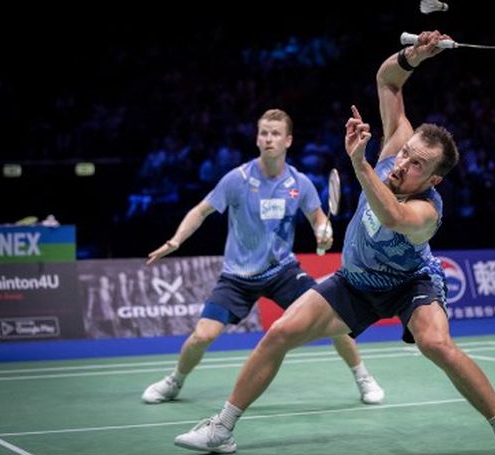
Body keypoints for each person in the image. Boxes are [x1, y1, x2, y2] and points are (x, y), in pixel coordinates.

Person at [173, 32, 495, 455]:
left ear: (434, 179)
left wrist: (359, 163)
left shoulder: (427, 210)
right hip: (356, 280)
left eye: (417, 164)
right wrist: (413, 56)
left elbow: (390, 216)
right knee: (278, 334)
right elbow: (387, 82)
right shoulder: (393, 150)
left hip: (411, 283)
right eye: (405, 152)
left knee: (436, 344)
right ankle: (222, 428)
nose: (403, 163)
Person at [141, 109, 384, 406]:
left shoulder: (300, 183)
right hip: (237, 276)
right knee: (203, 335)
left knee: (333, 317)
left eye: (275, 133)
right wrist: (176, 240)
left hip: (282, 271)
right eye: (264, 133)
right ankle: (174, 381)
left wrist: (324, 232)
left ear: (288, 140)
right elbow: (200, 211)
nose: (269, 138)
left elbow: (319, 218)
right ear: (257, 139)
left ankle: (363, 377)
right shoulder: (237, 179)